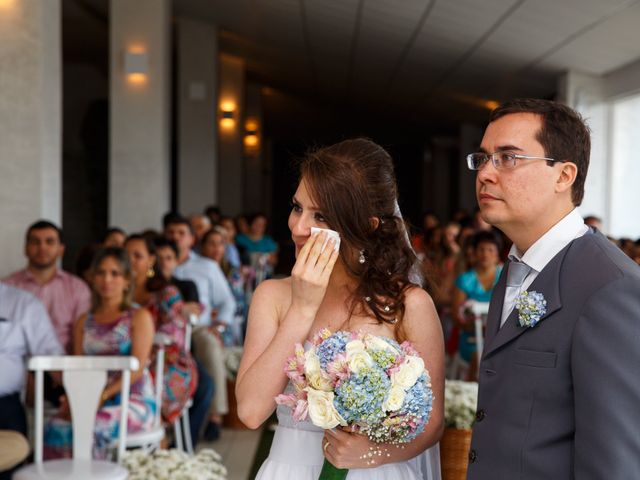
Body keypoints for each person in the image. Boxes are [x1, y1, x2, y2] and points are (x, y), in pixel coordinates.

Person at [237, 138, 444, 479]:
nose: (299, 227)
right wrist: (302, 309)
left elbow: (432, 423)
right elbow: (250, 411)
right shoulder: (272, 295)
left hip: (377, 472)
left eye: (320, 216)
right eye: (297, 207)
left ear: (366, 226)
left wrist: (375, 453)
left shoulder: (409, 304)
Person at [466, 98, 640, 479]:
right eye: (482, 159)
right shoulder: (513, 266)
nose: (485, 174)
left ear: (564, 176)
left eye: (508, 158)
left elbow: (614, 463)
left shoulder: (610, 287)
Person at [43, 248, 156, 459]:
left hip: (132, 398)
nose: (107, 279)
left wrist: (101, 395)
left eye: (115, 273)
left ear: (127, 281)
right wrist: (75, 398)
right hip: (92, 395)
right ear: (92, 278)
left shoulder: (138, 316)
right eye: (101, 272)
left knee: (94, 426)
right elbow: (79, 369)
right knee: (55, 427)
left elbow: (138, 369)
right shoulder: (83, 321)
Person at [165, 216, 236, 440]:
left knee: (209, 343)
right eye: (171, 232)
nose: (175, 237)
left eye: (181, 233)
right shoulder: (159, 262)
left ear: (191, 239)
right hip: (167, 328)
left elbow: (228, 302)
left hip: (198, 328)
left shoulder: (206, 266)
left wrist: (220, 326)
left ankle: (215, 415)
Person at [125, 235, 198, 424]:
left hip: (165, 360)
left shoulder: (166, 293)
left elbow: (174, 339)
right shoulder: (117, 291)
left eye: (137, 256)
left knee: (143, 379)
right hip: (128, 358)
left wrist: (142, 351)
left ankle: (155, 432)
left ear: (150, 260)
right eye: (125, 256)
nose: (130, 261)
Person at [154, 237, 215, 447]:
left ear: (176, 261)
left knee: (206, 386)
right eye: (159, 258)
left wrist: (181, 310)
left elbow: (195, 313)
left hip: (179, 349)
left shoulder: (184, 286)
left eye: (168, 258)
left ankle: (185, 445)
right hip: (152, 352)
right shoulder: (146, 288)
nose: (163, 262)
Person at [0, 283, 63, 479]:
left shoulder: (22, 303)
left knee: (17, 448)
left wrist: (74, 394)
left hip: (4, 406)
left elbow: (52, 356)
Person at [4, 220, 91, 353]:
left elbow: (84, 335)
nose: (42, 247)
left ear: (61, 249)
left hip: (64, 366)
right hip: (17, 367)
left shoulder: (78, 289)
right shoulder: (8, 287)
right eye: (35, 242)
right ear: (25, 248)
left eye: (49, 242)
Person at [450, 231, 503, 381]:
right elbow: (456, 318)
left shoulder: (505, 277)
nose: (485, 254)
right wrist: (478, 328)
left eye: (490, 250)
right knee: (479, 355)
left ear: (497, 254)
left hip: (499, 337)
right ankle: (475, 399)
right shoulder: (465, 280)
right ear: (474, 253)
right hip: (470, 338)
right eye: (481, 249)